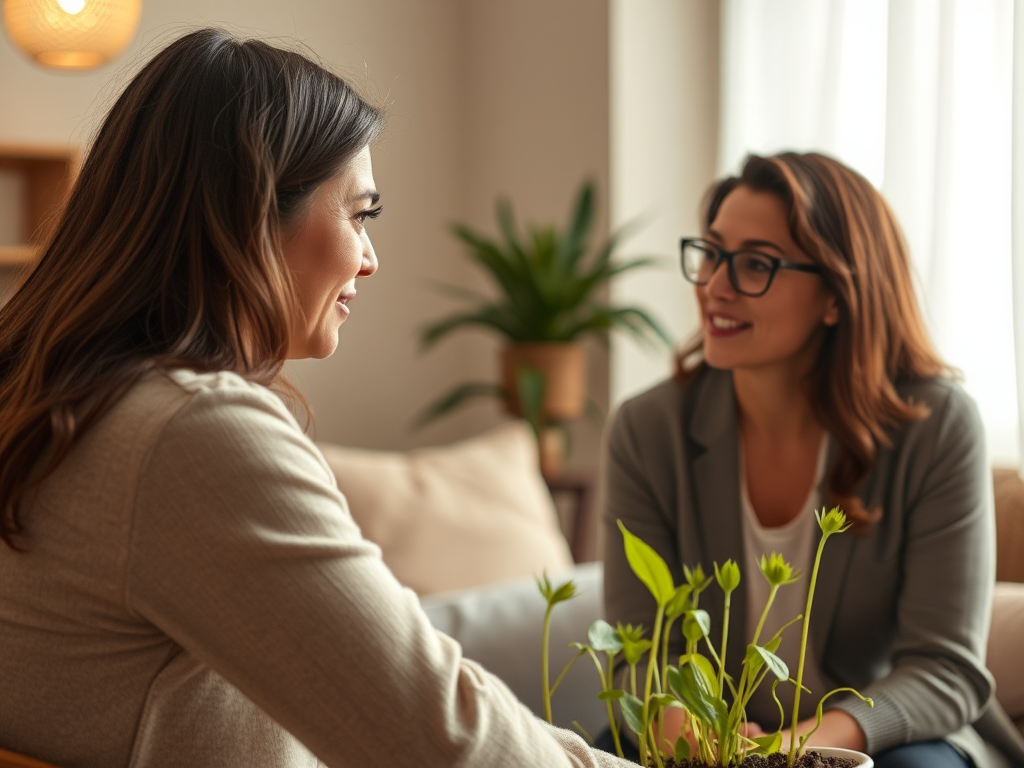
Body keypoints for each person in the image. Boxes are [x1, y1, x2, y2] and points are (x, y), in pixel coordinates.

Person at [0, 28, 633, 768]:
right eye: (360, 214)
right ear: (255, 212)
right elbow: (440, 737)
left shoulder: (54, 396)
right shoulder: (190, 433)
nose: (370, 260)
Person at [599, 152, 1024, 768]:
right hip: (712, 745)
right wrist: (690, 735)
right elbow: (640, 651)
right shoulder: (646, 431)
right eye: (711, 253)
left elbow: (944, 667)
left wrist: (788, 753)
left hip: (884, 741)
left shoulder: (938, 426)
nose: (715, 286)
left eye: (755, 265)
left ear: (835, 294)